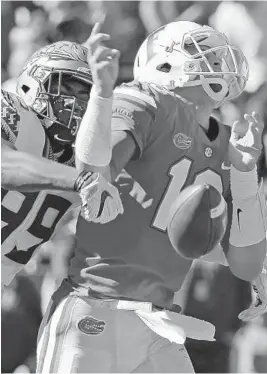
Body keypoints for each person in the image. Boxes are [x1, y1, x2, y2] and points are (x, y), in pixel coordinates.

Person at [37, 21, 266, 373]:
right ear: (163, 62)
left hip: (158, 322)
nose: (220, 59)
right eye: (201, 48)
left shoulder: (224, 141)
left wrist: (246, 175)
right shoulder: (146, 101)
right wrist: (101, 94)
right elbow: (95, 169)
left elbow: (242, 262)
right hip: (93, 309)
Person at [1, 39, 122, 292]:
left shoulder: (81, 160)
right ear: (33, 82)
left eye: (85, 94)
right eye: (66, 87)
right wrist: (78, 180)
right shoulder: (11, 113)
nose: (76, 104)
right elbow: (5, 165)